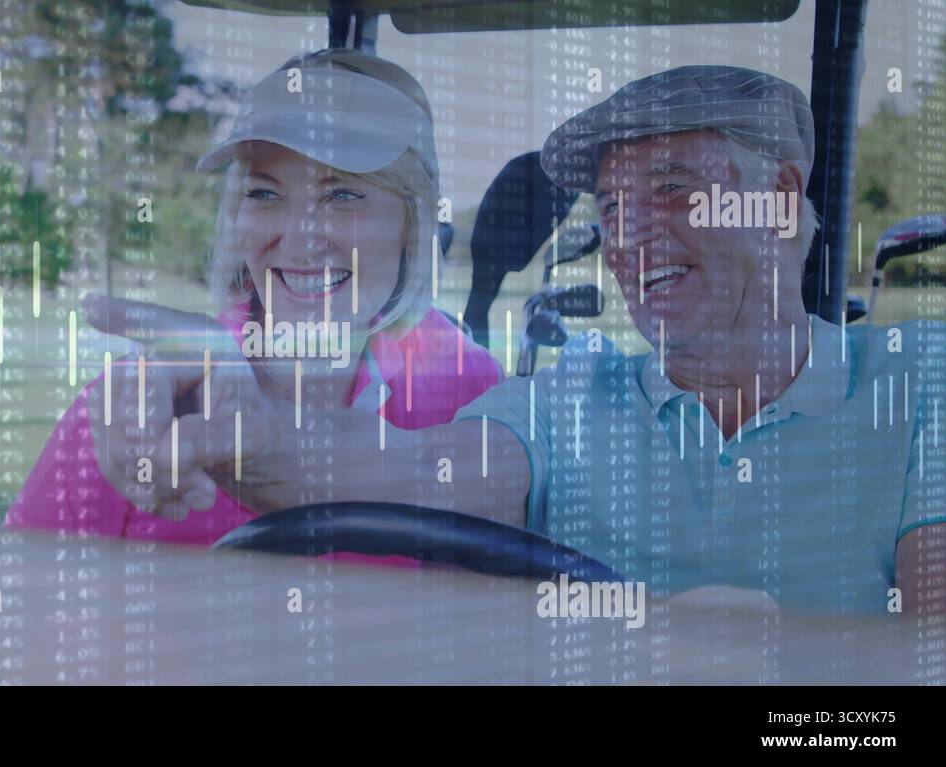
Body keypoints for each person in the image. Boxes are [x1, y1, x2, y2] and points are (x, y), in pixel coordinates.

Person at [112, 66, 946, 614]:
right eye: (613, 208)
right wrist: (257, 438)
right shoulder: (569, 399)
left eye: (672, 190)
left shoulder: (921, 381)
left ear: (778, 197)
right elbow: (412, 472)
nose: (631, 240)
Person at [7, 49, 502, 550]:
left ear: (411, 221)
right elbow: (24, 601)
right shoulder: (141, 401)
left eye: (343, 196)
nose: (300, 241)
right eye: (264, 194)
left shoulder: (471, 385)